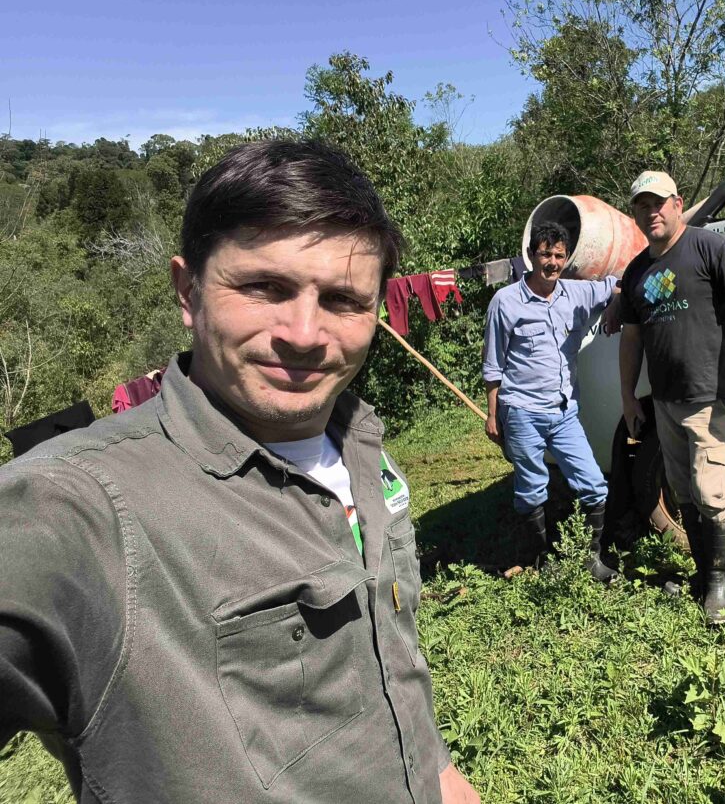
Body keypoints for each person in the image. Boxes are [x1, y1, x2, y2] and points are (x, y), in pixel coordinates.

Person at [0, 141, 479, 804]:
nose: (305, 333)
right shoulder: (79, 505)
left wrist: (444, 782)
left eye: (343, 300)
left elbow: (393, 668)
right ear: (187, 291)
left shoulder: (364, 451)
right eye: (264, 287)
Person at [618, 171, 725, 625]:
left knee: (710, 490)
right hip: (665, 401)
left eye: (659, 202)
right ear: (636, 214)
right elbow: (632, 337)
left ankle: (720, 584)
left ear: (678, 203)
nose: (652, 211)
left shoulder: (708, 247)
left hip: (711, 395)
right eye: (642, 205)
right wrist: (628, 396)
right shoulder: (638, 269)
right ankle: (703, 575)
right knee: (682, 491)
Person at [483, 221, 621, 582]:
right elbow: (493, 365)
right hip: (521, 411)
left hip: (563, 413)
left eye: (559, 255)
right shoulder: (506, 302)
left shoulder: (577, 294)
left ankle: (592, 560)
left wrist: (615, 306)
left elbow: (619, 285)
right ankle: (541, 561)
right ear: (531, 255)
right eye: (546, 254)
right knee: (531, 488)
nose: (553, 262)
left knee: (593, 484)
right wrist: (492, 413)